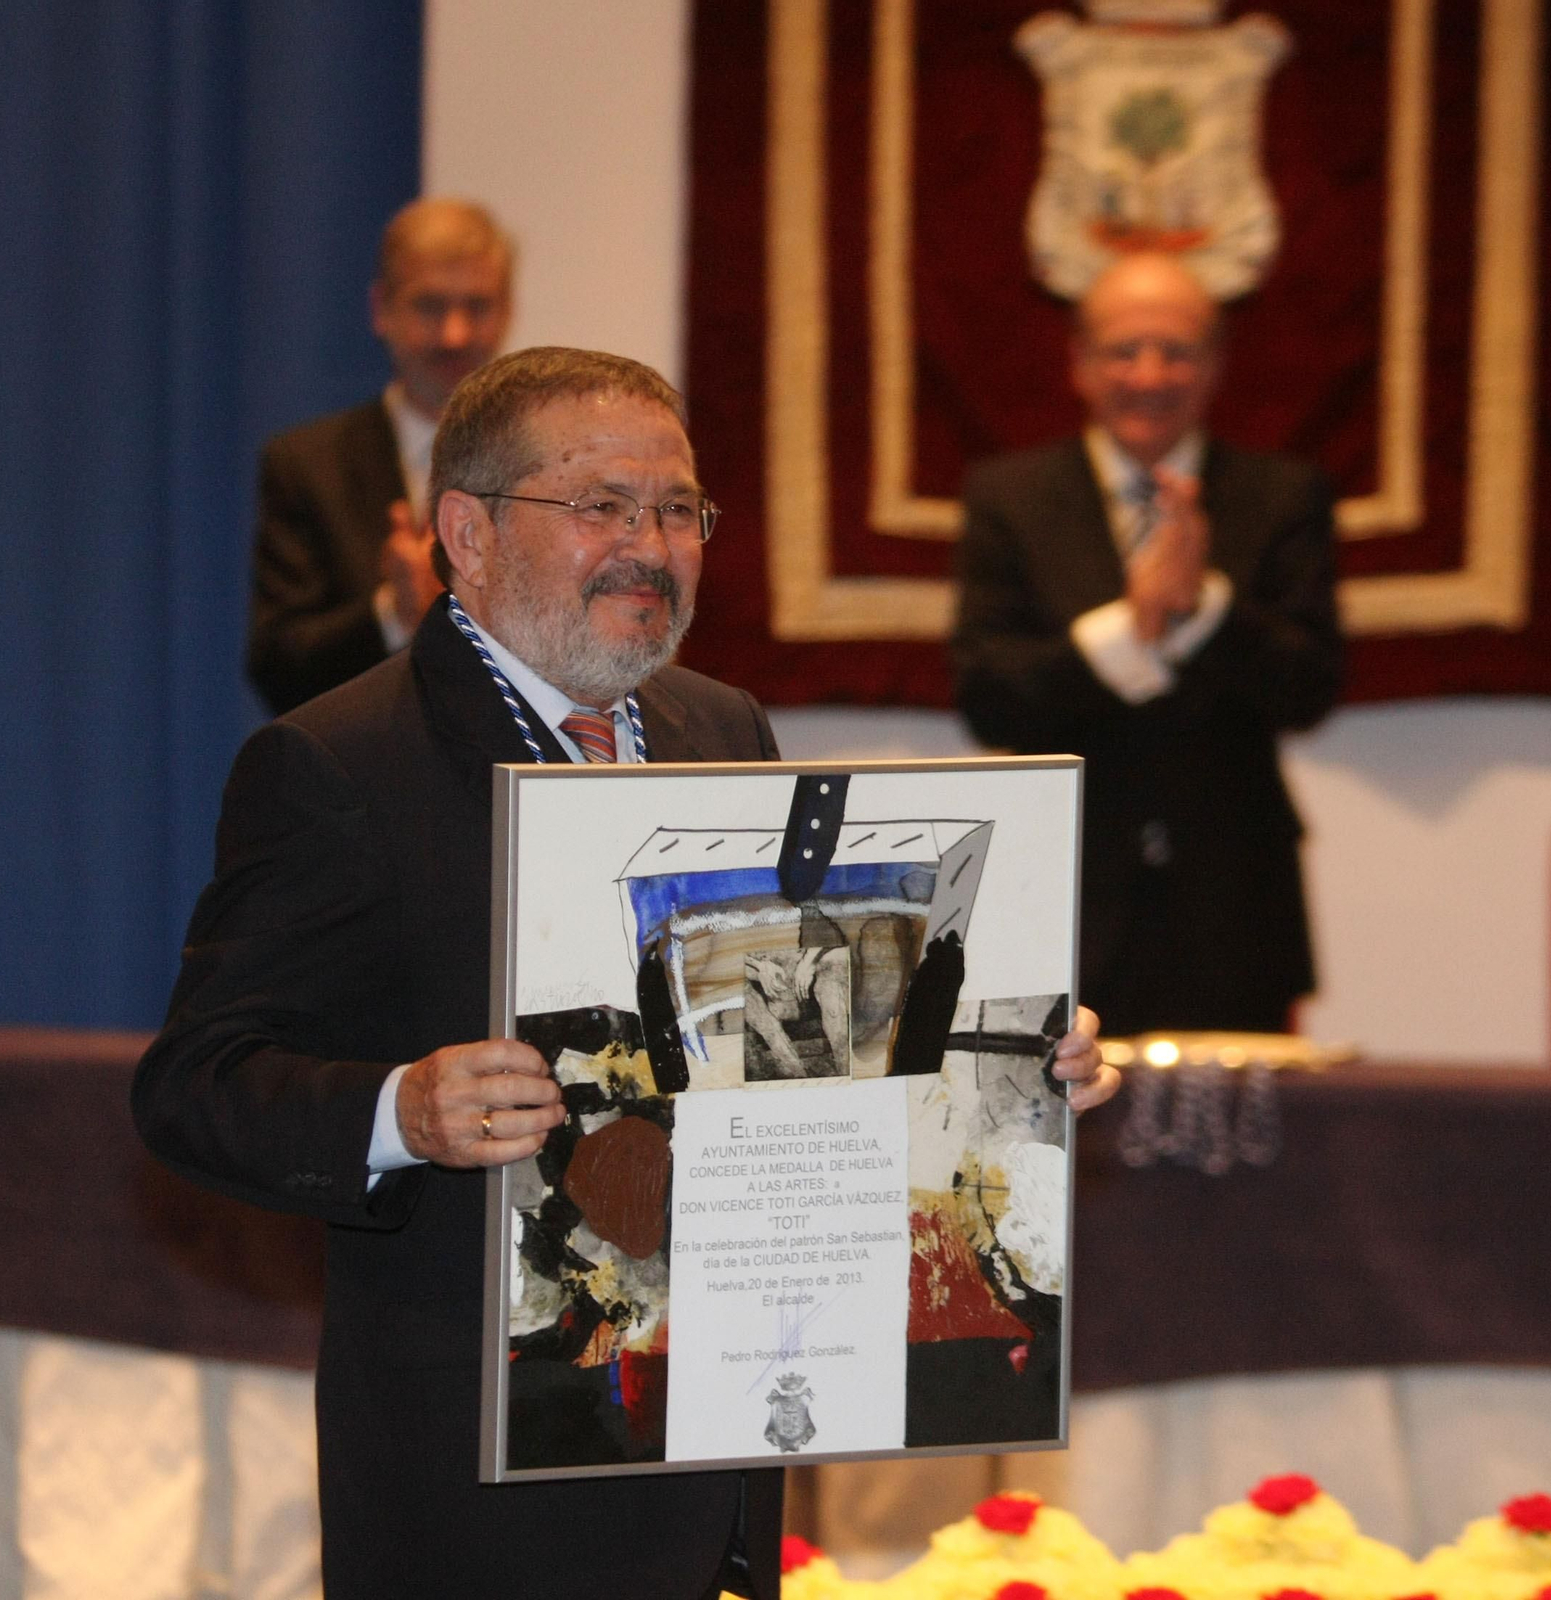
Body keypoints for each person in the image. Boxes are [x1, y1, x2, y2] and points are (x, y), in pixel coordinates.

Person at [134, 346, 1120, 1600]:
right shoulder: (336, 764)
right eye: (601, 505)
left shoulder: (723, 728)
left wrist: (1012, 1051)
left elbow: (799, 1035)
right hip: (477, 1492)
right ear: (466, 534)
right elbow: (193, 1085)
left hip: (718, 1457)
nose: (649, 544)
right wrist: (401, 1110)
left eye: (678, 511)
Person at [953, 253, 1343, 1036]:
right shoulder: (1010, 497)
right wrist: (1129, 630)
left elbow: (1311, 687)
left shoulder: (1284, 494)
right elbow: (988, 694)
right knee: (1068, 1151)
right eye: (1124, 350)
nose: (1150, 374)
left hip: (1236, 906)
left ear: (1217, 365)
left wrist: (1205, 610)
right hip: (1064, 894)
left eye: (1178, 350)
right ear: (1080, 364)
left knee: (1244, 1146)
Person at [247, 196, 514, 714]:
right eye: (430, 306)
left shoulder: (548, 468)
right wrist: (393, 611)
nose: (454, 334)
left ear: (506, 312)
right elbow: (277, 667)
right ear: (381, 310)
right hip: (358, 779)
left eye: (476, 307)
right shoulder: (306, 465)